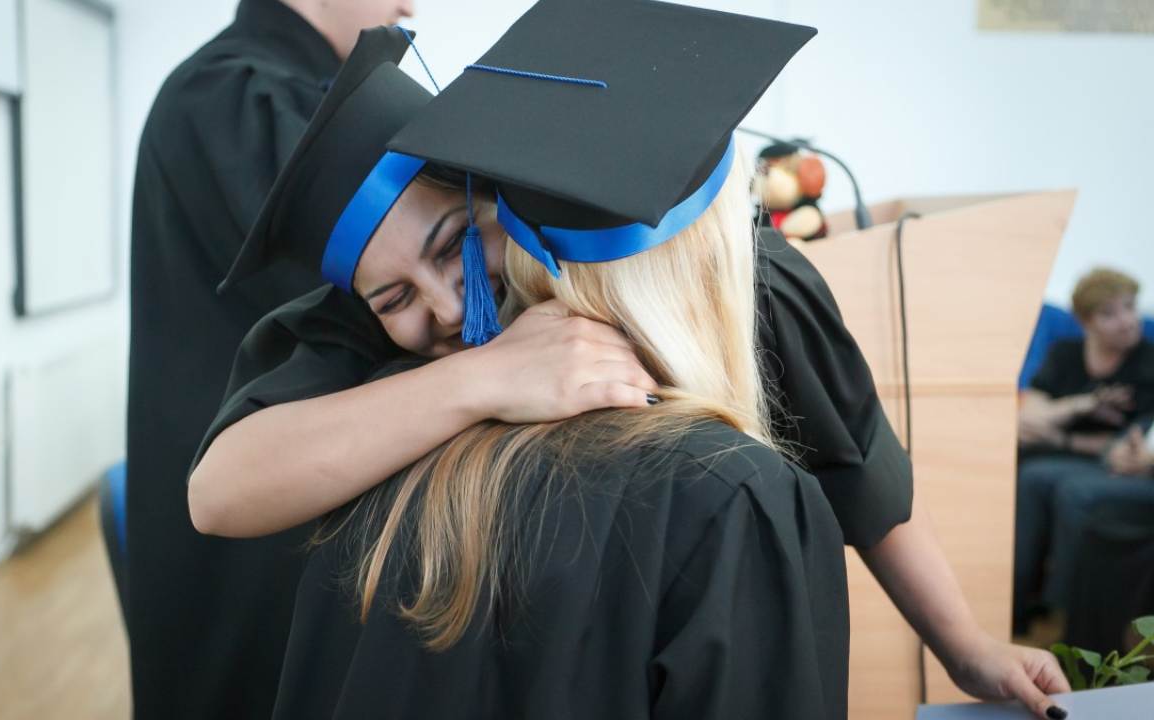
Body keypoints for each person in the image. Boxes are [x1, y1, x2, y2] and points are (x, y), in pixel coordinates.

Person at [189, 3, 1070, 718]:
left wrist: (966, 647)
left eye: (456, 244)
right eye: (394, 300)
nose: (447, 308)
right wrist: (478, 380)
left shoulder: (737, 278)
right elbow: (220, 491)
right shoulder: (367, 330)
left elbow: (861, 474)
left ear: (491, 187)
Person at [125, 1, 417, 717]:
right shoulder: (231, 94)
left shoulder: (278, 92)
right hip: (248, 538)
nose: (410, 6)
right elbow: (376, 282)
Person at [1014, 268, 1154, 633]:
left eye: (1129, 307)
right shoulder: (1065, 353)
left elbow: (1127, 443)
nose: (1126, 321)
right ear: (1085, 321)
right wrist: (1079, 406)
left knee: (1066, 487)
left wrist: (1059, 431)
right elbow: (1027, 418)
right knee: (1029, 475)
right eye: (1110, 313)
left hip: (1109, 462)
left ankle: (1061, 610)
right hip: (1068, 454)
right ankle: (1016, 603)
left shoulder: (1148, 360)